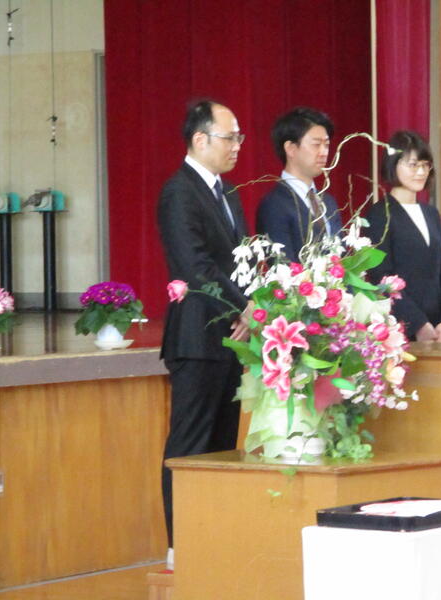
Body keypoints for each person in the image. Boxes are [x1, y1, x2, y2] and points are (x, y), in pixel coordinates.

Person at [157, 99, 252, 570]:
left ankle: (214, 539)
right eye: (229, 137)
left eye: (238, 138)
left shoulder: (227, 192)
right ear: (200, 139)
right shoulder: (179, 192)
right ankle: (181, 545)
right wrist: (245, 307)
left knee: (223, 448)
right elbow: (194, 267)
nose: (237, 146)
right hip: (198, 338)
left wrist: (254, 305)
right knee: (190, 446)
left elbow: (243, 260)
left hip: (233, 337)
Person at [365, 130, 441, 342]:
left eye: (425, 165)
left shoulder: (431, 214)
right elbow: (381, 277)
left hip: (438, 329)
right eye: (413, 165)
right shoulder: (379, 214)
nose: (421, 172)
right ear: (393, 164)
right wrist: (417, 323)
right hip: (401, 329)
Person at [256, 106, 343, 261]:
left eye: (327, 145)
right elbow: (281, 264)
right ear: (291, 148)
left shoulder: (328, 202)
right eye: (316, 144)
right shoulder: (274, 204)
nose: (324, 152)